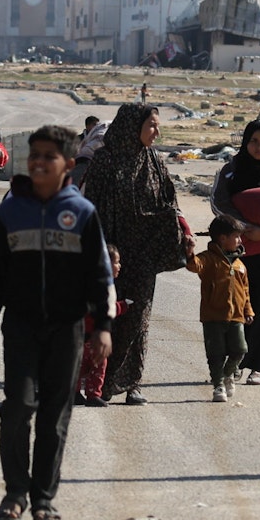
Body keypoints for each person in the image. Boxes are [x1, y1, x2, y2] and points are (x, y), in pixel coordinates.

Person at [0, 124, 115, 520]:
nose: (38, 162)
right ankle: (15, 492)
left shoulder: (82, 214)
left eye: (48, 157)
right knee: (18, 406)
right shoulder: (11, 210)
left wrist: (103, 326)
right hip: (20, 325)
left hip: (66, 328)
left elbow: (100, 275)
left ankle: (43, 498)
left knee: (55, 415)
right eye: (34, 155)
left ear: (68, 164)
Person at [83, 103, 187, 405]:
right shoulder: (104, 160)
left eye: (157, 125)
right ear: (132, 126)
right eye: (152, 125)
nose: (157, 132)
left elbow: (171, 202)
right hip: (109, 255)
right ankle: (96, 383)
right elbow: (90, 208)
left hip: (144, 254)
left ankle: (131, 383)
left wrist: (185, 233)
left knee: (138, 318)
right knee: (105, 316)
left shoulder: (154, 161)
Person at [209, 119, 260, 386]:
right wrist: (244, 228)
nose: (259, 147)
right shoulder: (230, 171)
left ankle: (258, 367)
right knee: (235, 310)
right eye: (254, 141)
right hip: (237, 252)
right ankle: (234, 363)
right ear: (245, 142)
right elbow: (218, 203)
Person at [184, 215, 254, 403]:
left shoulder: (240, 264)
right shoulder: (208, 259)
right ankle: (218, 386)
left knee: (240, 349)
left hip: (236, 317)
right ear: (223, 238)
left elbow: (245, 291)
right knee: (215, 354)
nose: (240, 240)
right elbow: (193, 266)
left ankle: (227, 374)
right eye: (236, 237)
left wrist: (248, 311)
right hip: (213, 316)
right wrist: (190, 251)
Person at [76, 244, 127, 407]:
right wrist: (123, 306)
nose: (119, 266)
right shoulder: (104, 286)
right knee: (98, 365)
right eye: (116, 262)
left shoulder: (88, 281)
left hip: (82, 334)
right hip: (93, 334)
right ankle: (93, 395)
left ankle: (74, 393)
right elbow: (106, 309)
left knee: (79, 365)